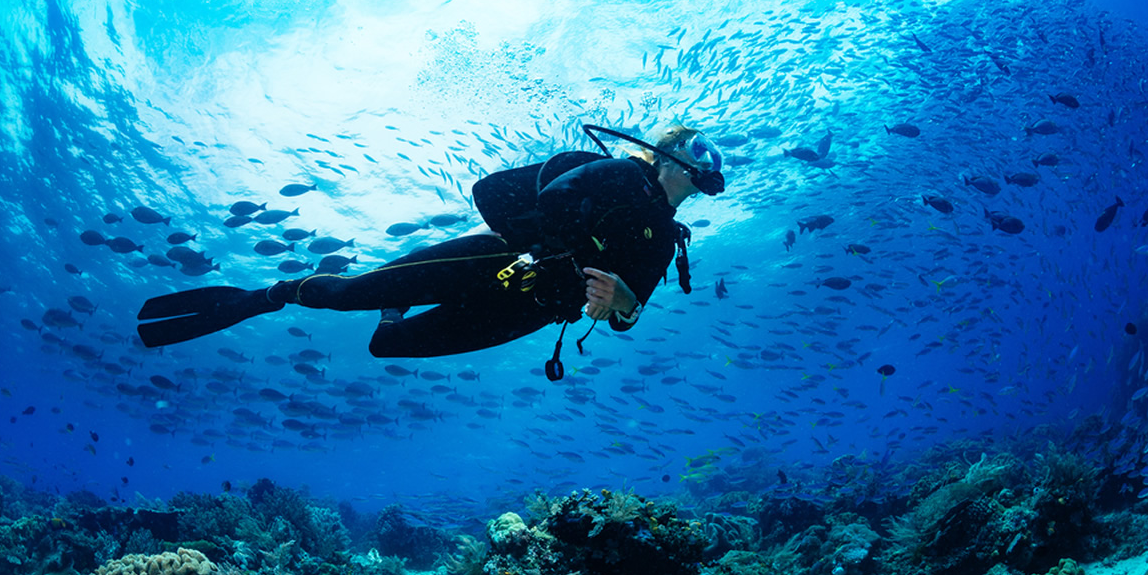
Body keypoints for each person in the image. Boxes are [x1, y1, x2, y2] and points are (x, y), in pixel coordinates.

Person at [136, 123, 724, 377]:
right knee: (346, 296)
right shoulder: (620, 174)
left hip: (533, 309)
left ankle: (393, 314)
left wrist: (621, 303)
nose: (709, 162)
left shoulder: (667, 239)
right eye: (700, 147)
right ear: (669, 153)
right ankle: (269, 294)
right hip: (496, 259)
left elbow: (629, 314)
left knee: (390, 343)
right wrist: (569, 255)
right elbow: (552, 199)